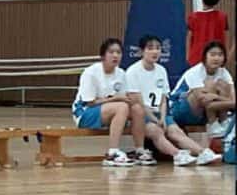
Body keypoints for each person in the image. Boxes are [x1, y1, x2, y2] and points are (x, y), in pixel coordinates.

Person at [125, 36, 221, 166]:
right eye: (150, 48)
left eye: (158, 48)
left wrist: (163, 117)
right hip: (143, 115)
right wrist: (154, 118)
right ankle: (178, 154)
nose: (155, 52)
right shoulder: (132, 71)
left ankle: (203, 152)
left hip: (161, 113)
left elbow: (163, 98)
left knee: (176, 132)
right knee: (156, 131)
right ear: (142, 51)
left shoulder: (161, 70)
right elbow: (138, 101)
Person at [72, 38, 136, 167]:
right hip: (84, 113)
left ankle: (140, 150)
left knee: (137, 110)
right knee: (121, 107)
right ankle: (112, 153)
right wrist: (115, 99)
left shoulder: (122, 74)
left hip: (107, 111)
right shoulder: (91, 72)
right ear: (103, 56)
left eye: (118, 52)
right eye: (111, 52)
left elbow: (124, 97)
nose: (115, 55)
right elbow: (90, 102)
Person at [171, 41, 235, 135]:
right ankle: (213, 124)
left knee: (222, 85)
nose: (216, 58)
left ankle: (223, 122)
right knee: (209, 85)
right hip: (180, 109)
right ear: (205, 57)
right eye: (212, 54)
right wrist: (227, 101)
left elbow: (232, 99)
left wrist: (215, 97)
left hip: (204, 112)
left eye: (220, 55)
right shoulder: (195, 71)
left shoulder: (224, 72)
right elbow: (203, 99)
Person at [186, 0, 230, 67]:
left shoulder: (193, 17)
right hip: (216, 56)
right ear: (217, 2)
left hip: (196, 56)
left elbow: (189, 38)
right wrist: (225, 55)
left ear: (202, 0)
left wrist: (188, 56)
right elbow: (226, 37)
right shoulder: (222, 17)